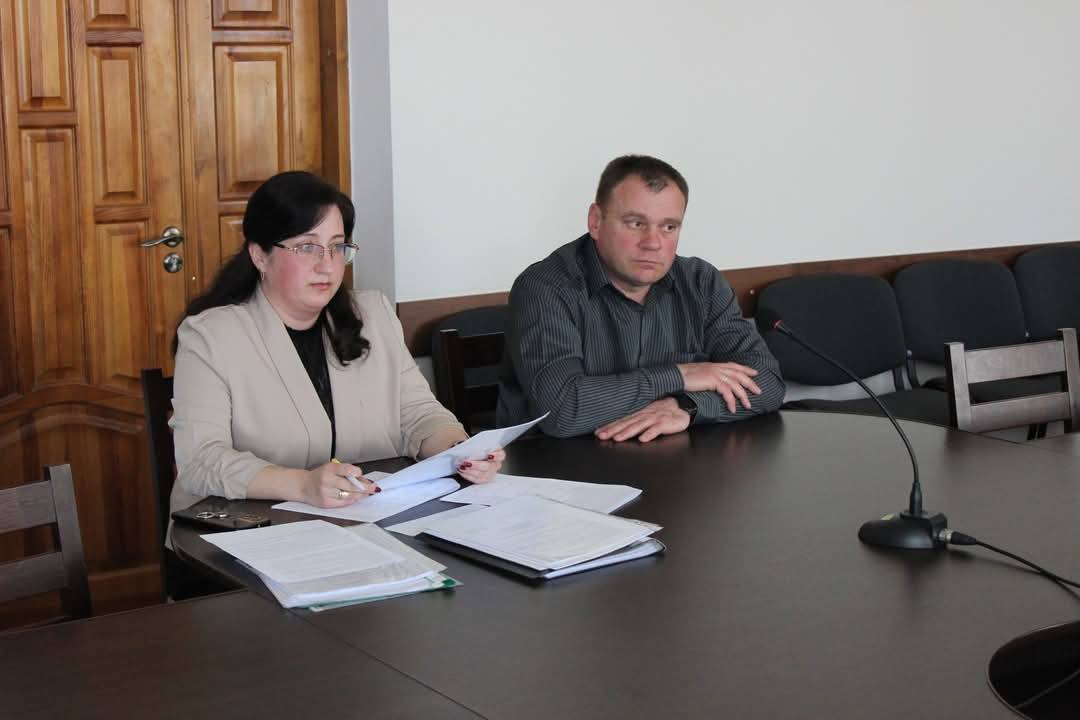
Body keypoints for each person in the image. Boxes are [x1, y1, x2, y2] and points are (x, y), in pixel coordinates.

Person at [169, 171, 504, 519]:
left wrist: (459, 451)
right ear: (260, 256)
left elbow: (418, 413)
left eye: (337, 247)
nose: (327, 265)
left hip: (366, 520)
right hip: (247, 528)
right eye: (307, 247)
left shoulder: (372, 315)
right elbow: (200, 459)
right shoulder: (210, 336)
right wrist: (302, 485)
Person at [498, 155, 784, 441]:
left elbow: (767, 383)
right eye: (636, 223)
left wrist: (687, 405)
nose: (653, 243)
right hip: (555, 463)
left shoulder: (701, 283)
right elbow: (562, 410)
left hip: (671, 458)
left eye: (669, 227)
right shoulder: (546, 288)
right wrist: (681, 375)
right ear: (596, 221)